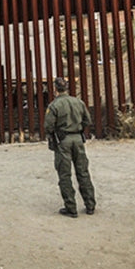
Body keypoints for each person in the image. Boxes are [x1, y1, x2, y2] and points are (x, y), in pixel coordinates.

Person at [44, 77, 97, 218]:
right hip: (78, 139)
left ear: (55, 88)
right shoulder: (78, 102)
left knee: (65, 174)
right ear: (67, 88)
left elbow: (48, 126)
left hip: (63, 141)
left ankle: (71, 207)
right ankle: (90, 205)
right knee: (83, 172)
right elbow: (88, 120)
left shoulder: (54, 105)